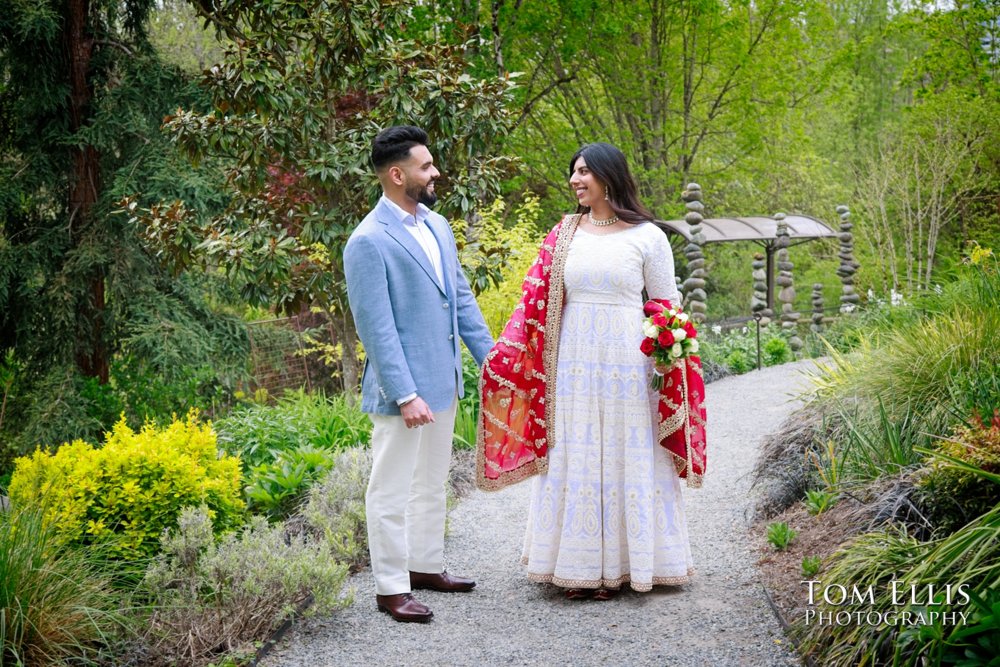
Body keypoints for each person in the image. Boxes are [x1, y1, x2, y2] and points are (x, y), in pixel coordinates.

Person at [476, 142, 705, 600]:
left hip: (628, 365)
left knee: (626, 452)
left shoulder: (647, 236)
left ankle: (627, 566)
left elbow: (667, 305)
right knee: (576, 453)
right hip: (574, 367)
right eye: (573, 173)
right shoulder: (564, 233)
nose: (575, 181)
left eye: (584, 172)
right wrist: (505, 356)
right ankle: (575, 567)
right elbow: (535, 306)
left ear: (608, 176)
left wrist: (669, 349)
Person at [344, 125, 494, 623]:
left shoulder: (438, 226)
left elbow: (461, 298)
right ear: (396, 174)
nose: (435, 173)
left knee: (431, 483)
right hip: (402, 393)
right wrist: (405, 394)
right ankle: (390, 589)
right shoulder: (367, 241)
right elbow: (376, 328)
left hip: (444, 381)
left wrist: (490, 358)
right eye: (426, 166)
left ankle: (425, 566)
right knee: (389, 489)